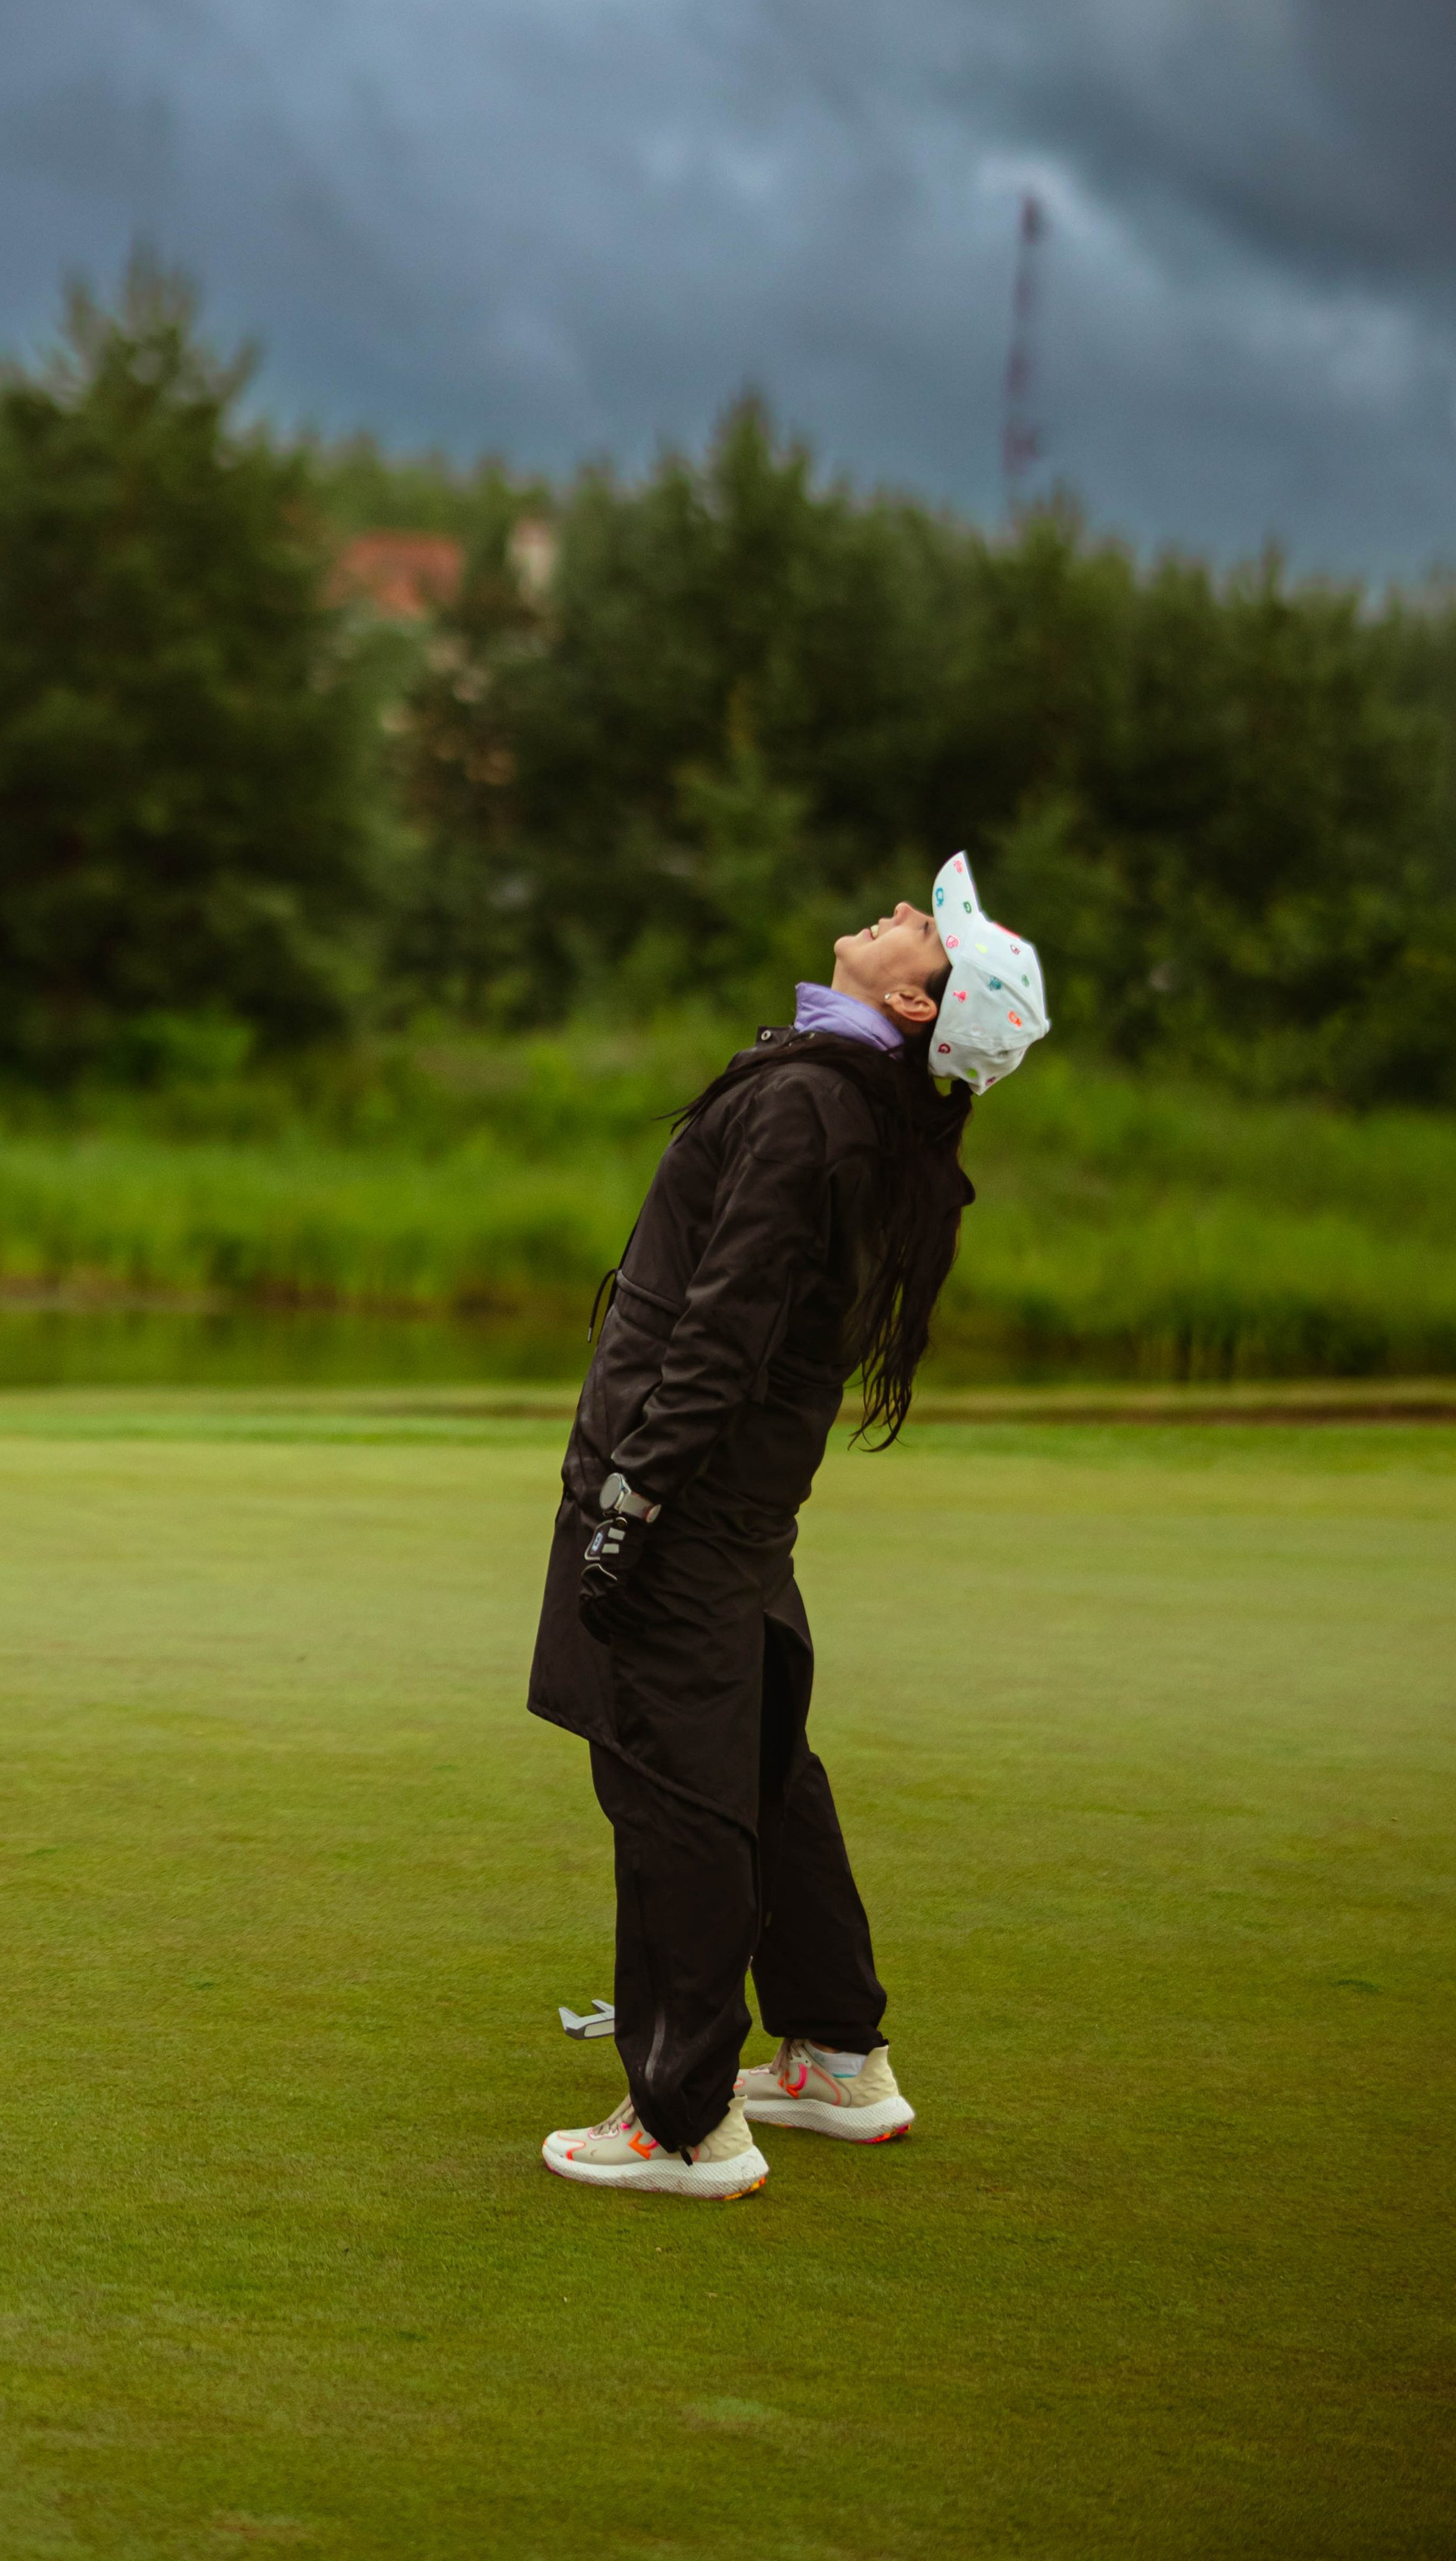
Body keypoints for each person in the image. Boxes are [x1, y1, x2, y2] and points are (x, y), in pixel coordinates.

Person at [529, 852, 1049, 2200]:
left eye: (926, 931)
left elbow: (724, 1331)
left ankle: (685, 2121)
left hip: (687, 1492)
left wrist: (633, 1497)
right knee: (758, 1758)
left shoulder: (820, 1106)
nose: (902, 914)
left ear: (924, 1008)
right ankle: (832, 2055)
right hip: (738, 1498)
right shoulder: (851, 1098)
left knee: (670, 1784)